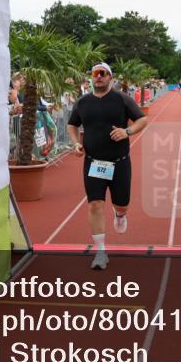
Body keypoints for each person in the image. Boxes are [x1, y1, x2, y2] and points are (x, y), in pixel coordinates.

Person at [66, 62, 148, 270]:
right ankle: (101, 251)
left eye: (103, 74)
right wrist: (76, 143)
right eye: (95, 74)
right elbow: (72, 125)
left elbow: (142, 120)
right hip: (93, 162)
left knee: (122, 204)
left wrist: (126, 132)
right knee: (95, 204)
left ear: (111, 77)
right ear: (91, 78)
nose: (99, 77)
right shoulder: (82, 102)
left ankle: (120, 214)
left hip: (120, 163)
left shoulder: (122, 99)